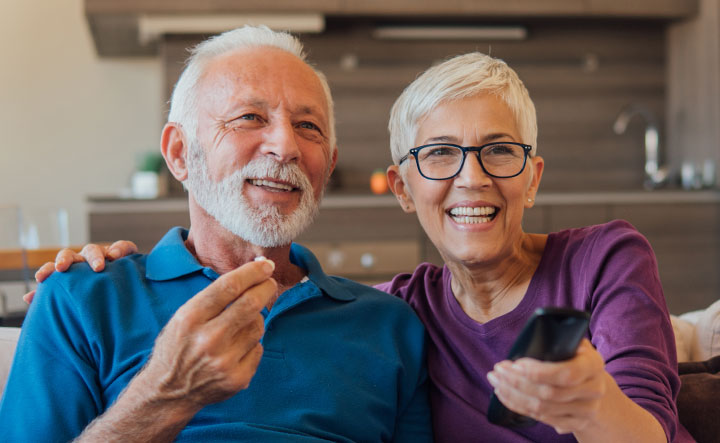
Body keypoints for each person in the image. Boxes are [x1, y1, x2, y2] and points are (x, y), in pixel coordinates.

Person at [28, 53, 687, 442]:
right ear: (400, 187)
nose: (473, 176)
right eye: (439, 155)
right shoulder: (82, 295)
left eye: (499, 151)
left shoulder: (386, 321)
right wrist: (156, 382)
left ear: (533, 174)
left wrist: (596, 405)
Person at [0, 26, 432, 442]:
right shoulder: (80, 297)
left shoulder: (391, 326)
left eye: (308, 127)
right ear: (179, 154)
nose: (286, 147)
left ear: (328, 167)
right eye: (249, 117)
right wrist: (165, 396)